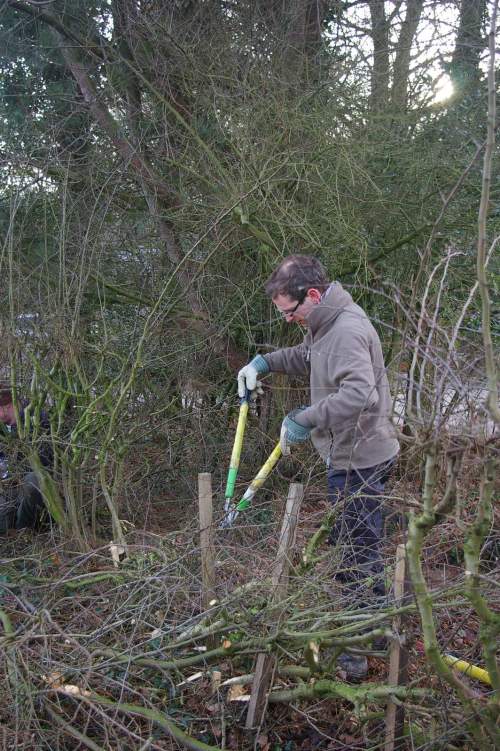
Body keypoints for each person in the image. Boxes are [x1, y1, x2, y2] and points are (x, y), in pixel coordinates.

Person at [237, 255, 400, 679]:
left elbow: (360, 395)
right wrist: (264, 363)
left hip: (359, 459)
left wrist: (305, 419)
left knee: (354, 554)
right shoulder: (324, 323)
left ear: (311, 295)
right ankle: (377, 629)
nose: (288, 319)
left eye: (289, 311)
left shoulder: (346, 330)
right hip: (349, 453)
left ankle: (356, 649)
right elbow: (306, 357)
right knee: (360, 546)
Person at [0, 383, 52, 534]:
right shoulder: (3, 427)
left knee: (34, 481)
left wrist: (10, 470)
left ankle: (24, 532)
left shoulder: (36, 418)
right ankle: (9, 534)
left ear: (6, 407)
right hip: (9, 485)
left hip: (32, 480)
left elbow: (44, 460)